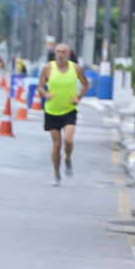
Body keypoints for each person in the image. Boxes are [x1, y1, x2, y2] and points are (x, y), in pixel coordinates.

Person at [36, 43, 90, 186]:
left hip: (69, 110)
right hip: (52, 111)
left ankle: (68, 159)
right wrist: (45, 94)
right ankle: (56, 174)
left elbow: (86, 84)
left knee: (68, 140)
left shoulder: (75, 68)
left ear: (68, 54)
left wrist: (78, 97)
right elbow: (40, 86)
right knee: (56, 144)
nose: (60, 54)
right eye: (58, 52)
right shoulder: (48, 68)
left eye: (63, 52)